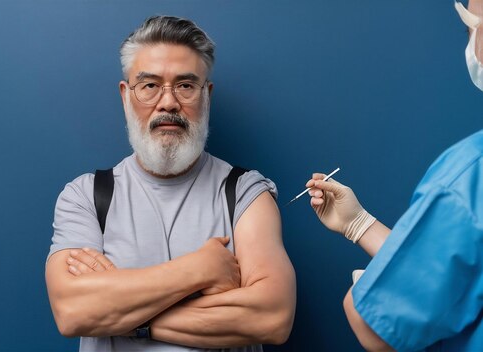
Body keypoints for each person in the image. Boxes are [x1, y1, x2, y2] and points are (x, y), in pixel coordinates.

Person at [45, 16, 296, 352]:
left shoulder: (246, 194)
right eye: (149, 85)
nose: (168, 102)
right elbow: (72, 312)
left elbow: (273, 317)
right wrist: (199, 269)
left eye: (185, 85)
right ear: (125, 96)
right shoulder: (85, 197)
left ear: (206, 95)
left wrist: (126, 315)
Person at [306, 2, 483, 351]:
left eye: (472, 28)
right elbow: (452, 274)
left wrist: (370, 290)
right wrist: (359, 224)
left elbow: (376, 326)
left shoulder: (470, 174)